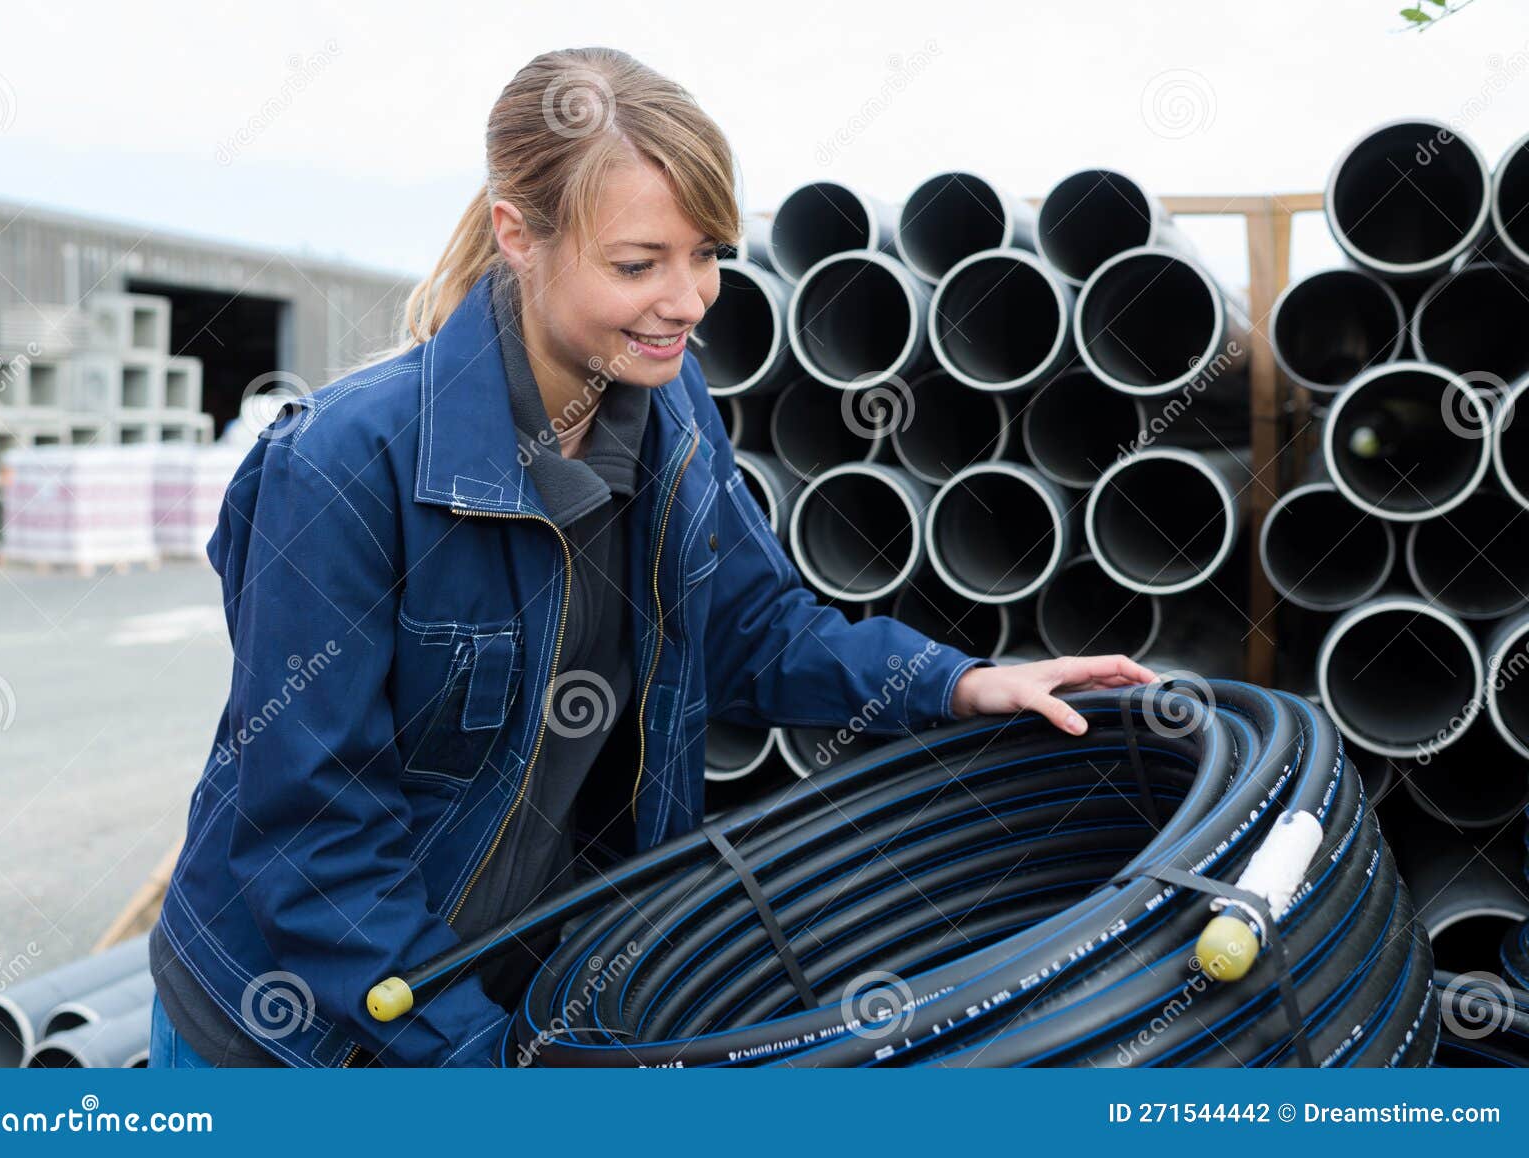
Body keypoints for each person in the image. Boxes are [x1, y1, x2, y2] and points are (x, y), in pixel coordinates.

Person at [147, 45, 1156, 1069]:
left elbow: (754, 632)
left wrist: (962, 684)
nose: (690, 298)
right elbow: (314, 840)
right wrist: (479, 1066)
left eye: (708, 251)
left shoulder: (670, 410)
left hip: (522, 1002)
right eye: (639, 263)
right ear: (518, 235)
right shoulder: (346, 463)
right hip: (300, 1042)